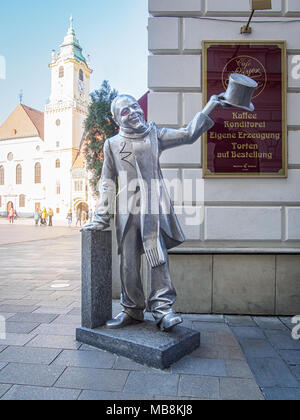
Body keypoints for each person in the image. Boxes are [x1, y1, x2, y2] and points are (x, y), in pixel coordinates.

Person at [82, 94, 226, 332]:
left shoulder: (155, 135)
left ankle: (163, 310)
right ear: (116, 118)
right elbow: (107, 181)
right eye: (125, 111)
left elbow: (188, 133)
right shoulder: (111, 144)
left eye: (135, 107)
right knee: (128, 263)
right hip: (127, 211)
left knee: (157, 257)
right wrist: (100, 217)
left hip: (152, 209)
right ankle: (131, 309)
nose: (134, 112)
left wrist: (211, 105)